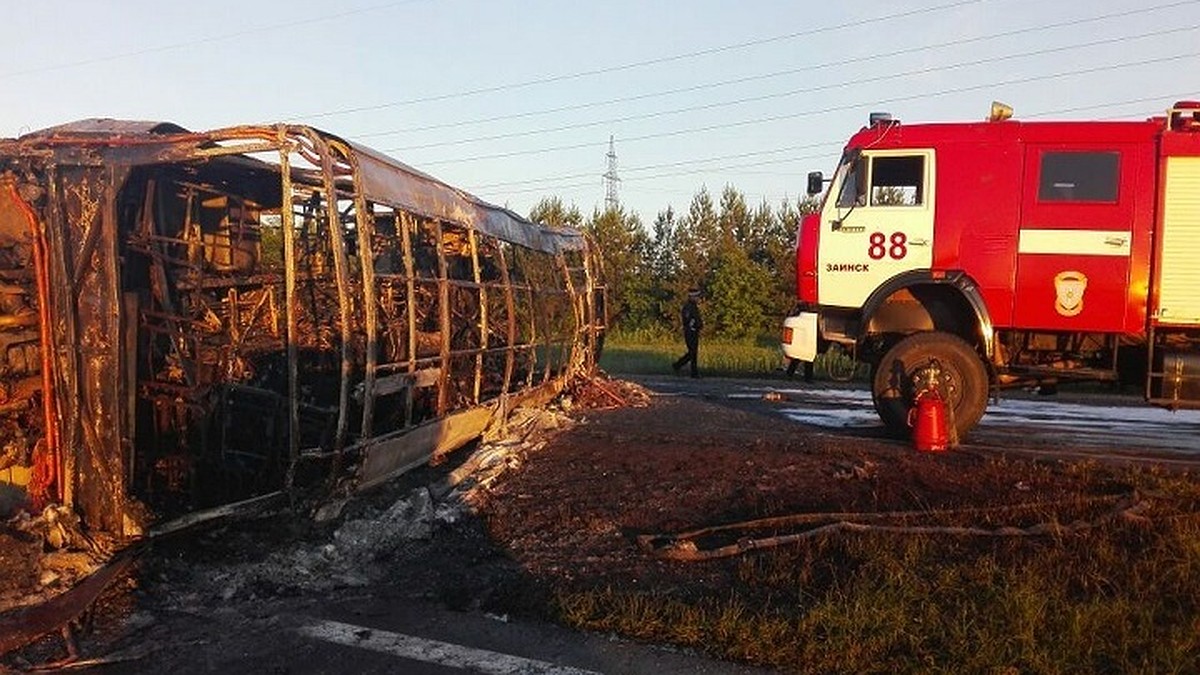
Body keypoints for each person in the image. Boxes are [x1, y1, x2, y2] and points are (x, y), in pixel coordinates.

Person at [672, 288, 703, 378]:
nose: (698, 299)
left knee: (693, 352)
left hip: (694, 331)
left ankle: (692, 372)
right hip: (690, 332)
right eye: (697, 297)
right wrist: (693, 326)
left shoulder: (693, 306)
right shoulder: (688, 307)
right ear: (692, 297)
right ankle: (678, 365)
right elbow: (687, 319)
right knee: (692, 352)